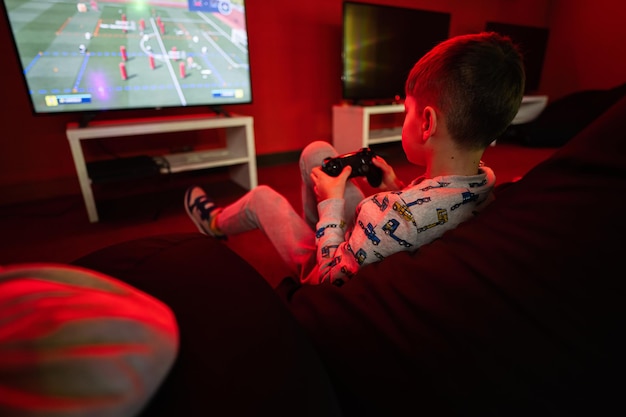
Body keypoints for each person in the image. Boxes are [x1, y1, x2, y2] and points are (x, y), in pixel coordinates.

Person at [184, 31, 525, 286]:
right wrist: (397, 187)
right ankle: (314, 222)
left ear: (426, 123)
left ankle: (215, 225)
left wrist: (330, 206)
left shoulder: (381, 216)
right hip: (376, 236)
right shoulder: (485, 182)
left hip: (328, 263)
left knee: (262, 196)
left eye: (406, 109)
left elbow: (332, 279)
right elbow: (427, 212)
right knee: (318, 153)